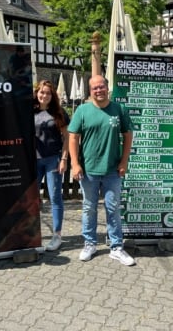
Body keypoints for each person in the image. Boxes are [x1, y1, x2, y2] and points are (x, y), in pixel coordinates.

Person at [68, 75, 135, 266]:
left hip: (112, 169)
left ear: (107, 87)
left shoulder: (118, 109)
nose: (99, 90)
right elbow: (73, 138)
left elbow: (128, 135)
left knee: (113, 208)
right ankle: (90, 244)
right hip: (88, 169)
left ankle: (116, 247)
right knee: (89, 208)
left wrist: (124, 161)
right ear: (91, 91)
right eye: (95, 88)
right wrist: (75, 163)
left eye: (101, 87)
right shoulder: (82, 110)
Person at [34, 80, 70, 251]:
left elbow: (67, 137)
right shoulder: (30, 111)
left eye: (47, 93)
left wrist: (64, 159)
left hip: (52, 160)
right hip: (33, 160)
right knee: (31, 198)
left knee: (55, 197)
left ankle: (57, 235)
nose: (44, 95)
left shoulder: (58, 113)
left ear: (52, 95)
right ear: (36, 93)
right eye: (41, 92)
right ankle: (32, 233)